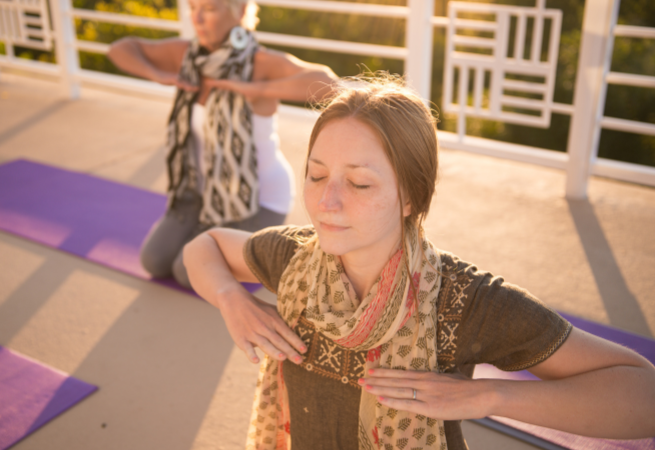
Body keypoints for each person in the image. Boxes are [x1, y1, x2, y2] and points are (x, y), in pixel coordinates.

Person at [183, 76, 655, 450]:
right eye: (317, 174)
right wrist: (231, 300)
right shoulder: (293, 259)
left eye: (360, 184)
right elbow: (204, 247)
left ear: (410, 195)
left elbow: (643, 394)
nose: (327, 202)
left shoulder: (461, 301)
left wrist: (488, 397)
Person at [107, 0, 336, 287]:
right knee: (154, 260)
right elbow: (121, 49)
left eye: (210, 9)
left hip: (257, 198)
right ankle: (214, 230)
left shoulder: (259, 63)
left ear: (239, 11)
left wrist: (255, 88)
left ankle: (278, 243)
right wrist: (159, 75)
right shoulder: (187, 56)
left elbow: (328, 83)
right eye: (193, 8)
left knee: (185, 270)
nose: (197, 19)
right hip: (201, 193)